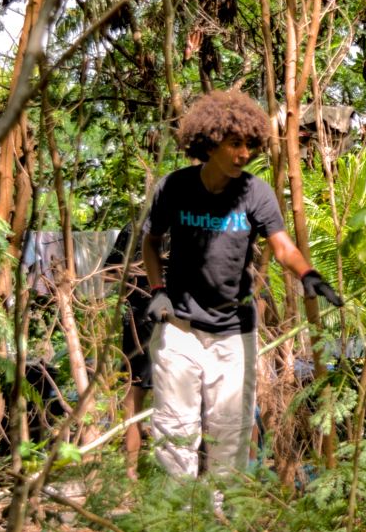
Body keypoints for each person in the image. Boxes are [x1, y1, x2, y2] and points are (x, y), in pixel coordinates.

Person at [141, 91, 343, 487]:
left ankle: (221, 515)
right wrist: (157, 290)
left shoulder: (255, 192)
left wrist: (307, 274)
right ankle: (174, 513)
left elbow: (282, 247)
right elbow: (151, 242)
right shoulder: (174, 188)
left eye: (250, 144)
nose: (245, 153)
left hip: (234, 332)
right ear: (210, 143)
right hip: (180, 327)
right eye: (235, 144)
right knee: (174, 428)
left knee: (231, 430)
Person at [104, 222, 157, 480]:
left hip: (177, 319)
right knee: (134, 395)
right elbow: (108, 273)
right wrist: (135, 271)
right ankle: (131, 473)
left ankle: (171, 474)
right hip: (141, 319)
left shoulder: (188, 219)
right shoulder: (135, 227)